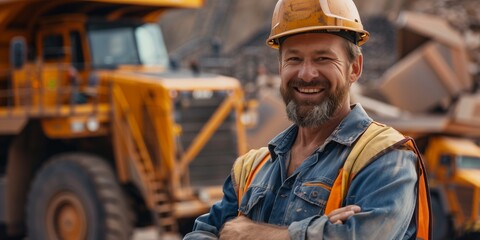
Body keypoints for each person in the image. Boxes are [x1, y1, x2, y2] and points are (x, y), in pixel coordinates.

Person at [184, 0, 431, 239]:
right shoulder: (251, 168)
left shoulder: (385, 158)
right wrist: (323, 232)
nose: (306, 74)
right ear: (280, 68)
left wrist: (249, 233)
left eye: (323, 58)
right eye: (294, 59)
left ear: (354, 68)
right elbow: (201, 233)